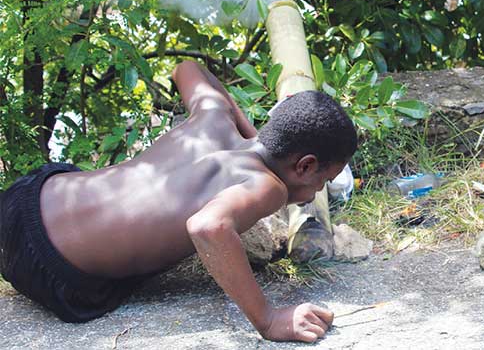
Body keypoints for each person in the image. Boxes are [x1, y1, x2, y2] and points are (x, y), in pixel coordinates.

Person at [0, 60, 357, 342]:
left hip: (30, 194)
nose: (314, 194)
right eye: (322, 181)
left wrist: (251, 133)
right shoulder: (268, 186)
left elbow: (187, 68)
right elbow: (207, 227)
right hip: (49, 268)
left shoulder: (213, 117)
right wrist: (268, 318)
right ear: (305, 165)